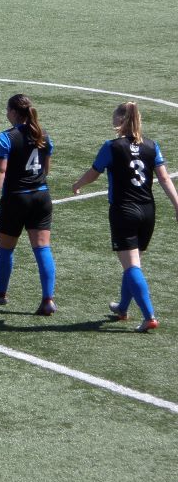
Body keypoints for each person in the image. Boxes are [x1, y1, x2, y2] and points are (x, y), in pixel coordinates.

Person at [72, 102, 178, 332]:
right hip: (148, 211)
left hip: (124, 211)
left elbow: (94, 173)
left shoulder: (112, 147)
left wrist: (78, 184)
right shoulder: (152, 146)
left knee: (132, 267)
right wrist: (177, 204)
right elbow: (164, 178)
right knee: (134, 262)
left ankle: (149, 315)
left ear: (121, 120)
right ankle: (122, 307)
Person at [0, 95, 57, 314]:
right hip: (41, 196)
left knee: (6, 248)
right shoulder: (42, 135)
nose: (6, 114)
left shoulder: (6, 137)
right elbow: (46, 169)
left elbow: (0, 171)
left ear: (15, 112)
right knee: (42, 248)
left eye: (7, 110)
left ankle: (1, 292)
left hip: (16, 198)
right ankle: (48, 299)